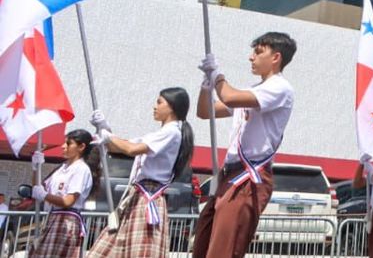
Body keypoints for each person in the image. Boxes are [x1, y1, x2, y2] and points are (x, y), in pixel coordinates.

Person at [193, 32, 297, 258]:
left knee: (224, 250)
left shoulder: (280, 88)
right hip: (229, 175)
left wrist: (218, 76)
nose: (251, 58)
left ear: (276, 57)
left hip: (248, 176)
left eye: (258, 52)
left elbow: (229, 97)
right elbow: (204, 112)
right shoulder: (254, 90)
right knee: (203, 243)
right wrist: (206, 85)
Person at [88, 88, 195, 257]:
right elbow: (120, 147)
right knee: (107, 249)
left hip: (148, 198)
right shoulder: (159, 134)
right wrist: (104, 128)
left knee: (140, 252)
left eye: (159, 102)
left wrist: (108, 136)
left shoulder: (171, 132)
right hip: (137, 197)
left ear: (172, 107)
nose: (154, 107)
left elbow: (132, 149)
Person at [29, 128, 95, 257]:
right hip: (53, 217)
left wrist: (44, 195)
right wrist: (36, 167)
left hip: (67, 220)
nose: (63, 146)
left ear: (81, 146)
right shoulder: (61, 168)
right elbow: (38, 187)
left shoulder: (81, 169)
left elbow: (68, 201)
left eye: (69, 143)